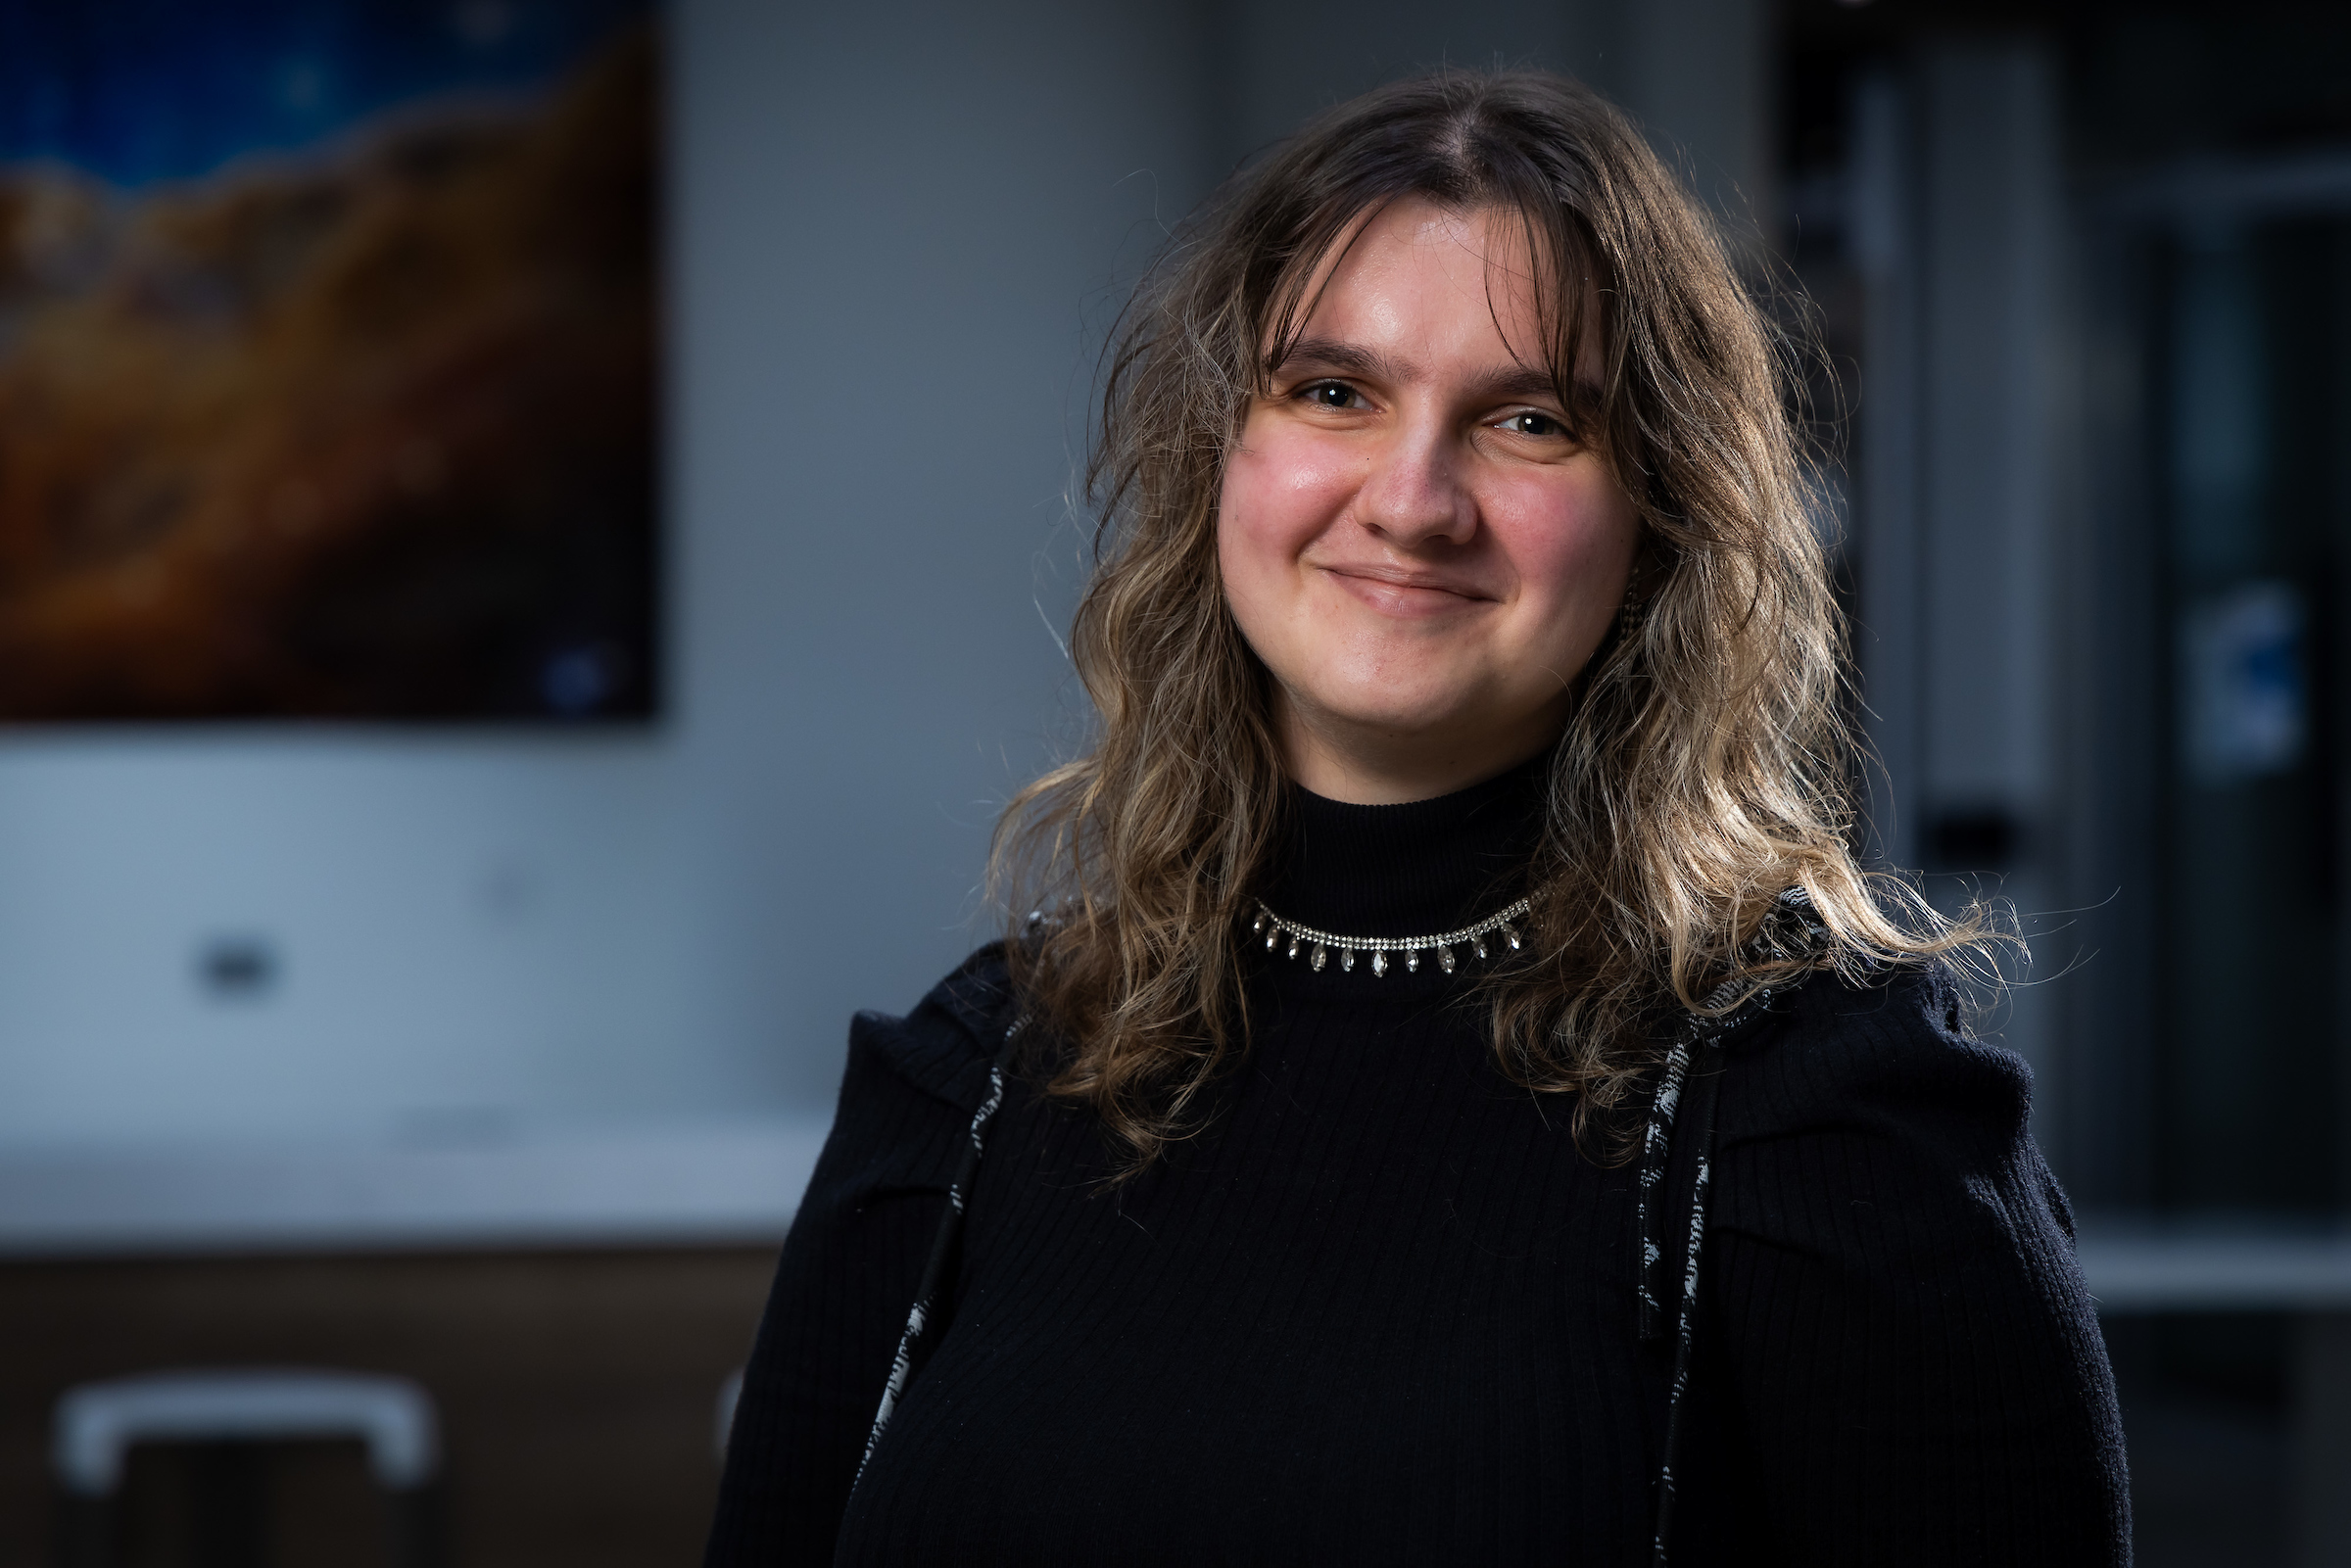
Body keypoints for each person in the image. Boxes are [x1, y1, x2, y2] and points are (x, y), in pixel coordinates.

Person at [706, 70, 2129, 1566]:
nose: (1414, 498)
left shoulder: (1831, 1110)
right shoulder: (971, 1078)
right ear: (1220, 451)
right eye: (1335, 392)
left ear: (1660, 513)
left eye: (1529, 419)